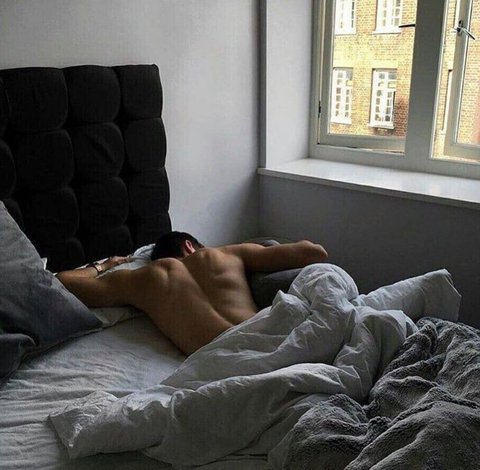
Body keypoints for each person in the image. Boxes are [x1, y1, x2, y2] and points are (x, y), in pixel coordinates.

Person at [56, 232, 328, 355]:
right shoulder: (225, 254)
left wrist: (106, 265)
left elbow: (63, 281)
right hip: (270, 337)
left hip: (220, 359)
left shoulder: (143, 278)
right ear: (190, 245)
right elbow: (315, 253)